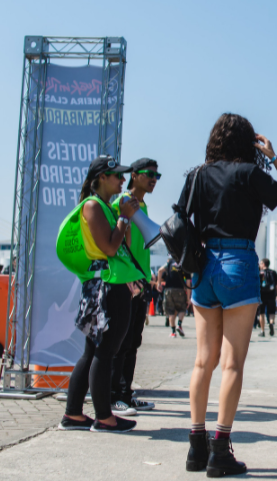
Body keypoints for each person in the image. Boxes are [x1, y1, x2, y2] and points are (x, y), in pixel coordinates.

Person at [182, 113, 277, 475]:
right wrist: (275, 157)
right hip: (239, 262)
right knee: (232, 363)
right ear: (249, 143)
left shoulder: (197, 175)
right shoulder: (250, 175)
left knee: (204, 361)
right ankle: (220, 451)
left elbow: (182, 219)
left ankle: (195, 448)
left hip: (204, 266)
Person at [59, 155, 144, 434]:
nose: (123, 180)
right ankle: (104, 417)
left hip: (107, 284)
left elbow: (122, 245)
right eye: (117, 176)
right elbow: (109, 248)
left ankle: (74, 414)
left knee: (94, 350)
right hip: (106, 287)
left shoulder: (105, 207)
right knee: (105, 351)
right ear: (101, 178)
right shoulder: (94, 206)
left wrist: (125, 218)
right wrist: (122, 217)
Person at [110, 157, 161, 416]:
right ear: (134, 174)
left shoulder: (142, 205)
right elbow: (122, 243)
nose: (154, 178)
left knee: (133, 341)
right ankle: (114, 396)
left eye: (157, 175)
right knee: (121, 340)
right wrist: (132, 278)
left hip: (141, 280)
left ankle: (126, 393)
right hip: (128, 280)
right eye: (149, 173)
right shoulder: (124, 202)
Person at [158, 260, 189, 338]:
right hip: (180, 289)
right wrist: (188, 298)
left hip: (169, 289)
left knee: (170, 311)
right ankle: (179, 324)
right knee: (182, 308)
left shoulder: (170, 262)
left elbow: (160, 270)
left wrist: (158, 283)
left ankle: (173, 332)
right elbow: (188, 282)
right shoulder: (185, 262)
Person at [257, 259, 277, 337]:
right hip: (271, 295)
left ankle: (262, 331)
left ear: (263, 264)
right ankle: (271, 323)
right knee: (271, 312)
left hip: (261, 295)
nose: (260, 265)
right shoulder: (273, 272)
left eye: (260, 263)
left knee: (261, 313)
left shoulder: (259, 273)